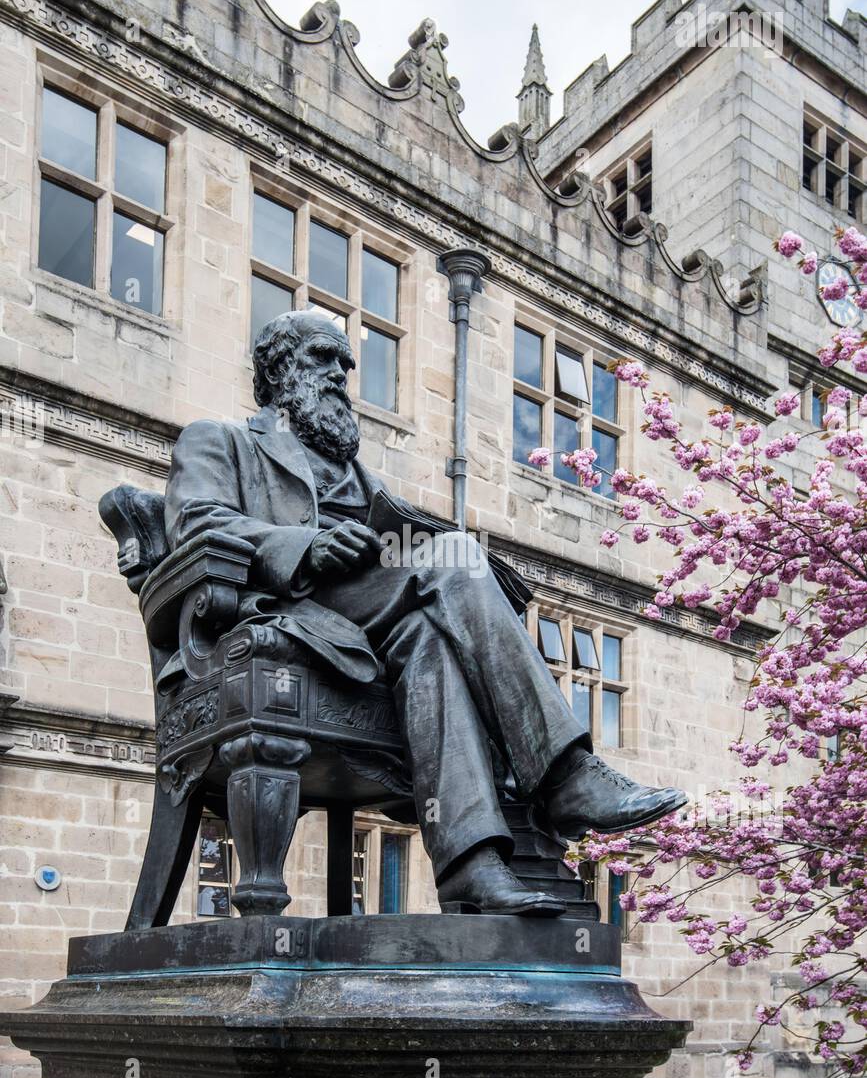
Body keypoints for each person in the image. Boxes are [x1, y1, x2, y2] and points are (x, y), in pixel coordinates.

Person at [165, 311, 686, 914]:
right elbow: (199, 523)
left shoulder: (363, 477)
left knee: (430, 641)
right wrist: (308, 547)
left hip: (375, 624)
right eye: (321, 358)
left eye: (345, 363)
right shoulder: (219, 440)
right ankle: (566, 776)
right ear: (278, 372)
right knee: (460, 556)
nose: (339, 373)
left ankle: (470, 865)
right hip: (292, 609)